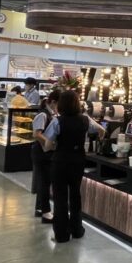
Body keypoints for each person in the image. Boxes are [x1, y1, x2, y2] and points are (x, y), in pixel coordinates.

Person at [43, 90, 105, 243]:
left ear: (61, 104)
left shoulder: (57, 121)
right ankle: (77, 229)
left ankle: (62, 234)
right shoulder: (85, 119)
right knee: (75, 195)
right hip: (78, 161)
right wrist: (98, 141)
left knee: (60, 197)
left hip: (60, 162)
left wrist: (56, 145)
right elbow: (102, 130)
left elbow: (47, 146)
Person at [32, 90, 60, 224]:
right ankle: (46, 212)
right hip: (41, 152)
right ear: (53, 102)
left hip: (45, 151)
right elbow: (36, 134)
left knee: (43, 181)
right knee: (44, 182)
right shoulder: (43, 114)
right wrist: (50, 144)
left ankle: (39, 208)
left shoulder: (51, 114)